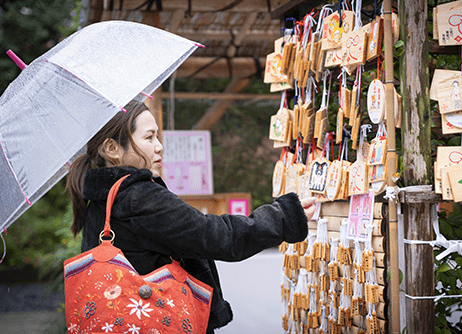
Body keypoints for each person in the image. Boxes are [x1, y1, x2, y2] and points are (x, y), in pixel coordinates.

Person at [66, 100, 317, 333]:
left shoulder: (102, 198)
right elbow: (216, 236)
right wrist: (285, 216)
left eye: (157, 136)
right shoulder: (137, 196)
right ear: (112, 149)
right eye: (149, 137)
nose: (159, 146)